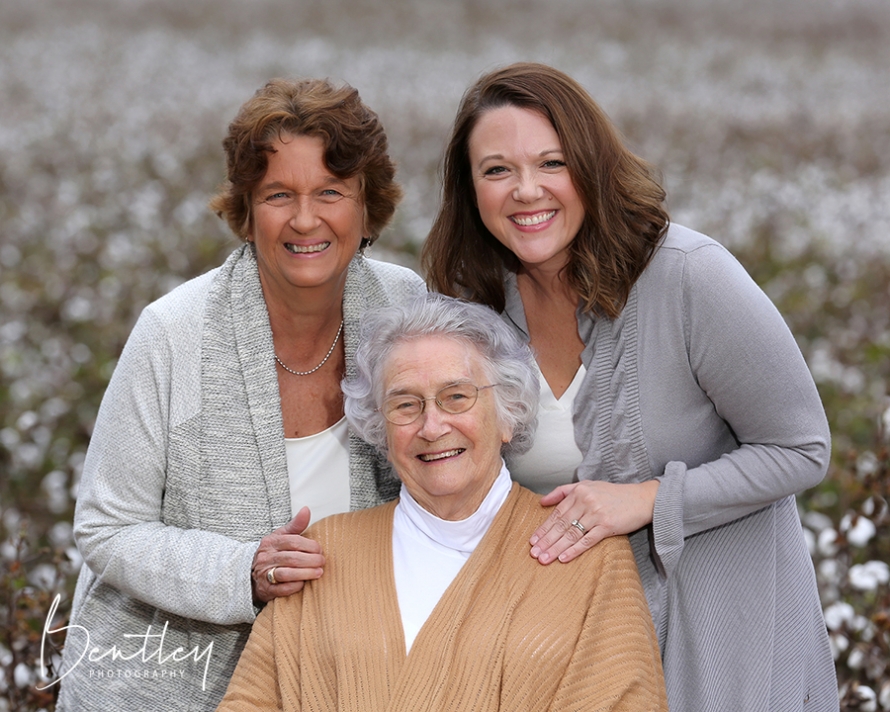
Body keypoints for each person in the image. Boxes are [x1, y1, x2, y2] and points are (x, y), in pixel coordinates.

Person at [422, 62, 838, 711]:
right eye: (497, 169)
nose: (526, 190)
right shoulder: (472, 311)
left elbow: (802, 448)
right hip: (578, 668)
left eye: (551, 163)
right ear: (469, 188)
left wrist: (646, 499)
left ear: (590, 165)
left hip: (729, 660)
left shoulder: (690, 277)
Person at [56, 78, 425, 711]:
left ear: (368, 207)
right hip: (169, 687)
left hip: (355, 685)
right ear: (246, 210)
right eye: (279, 194)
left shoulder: (405, 306)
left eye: (331, 193)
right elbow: (107, 526)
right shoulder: (173, 331)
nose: (306, 219)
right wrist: (242, 571)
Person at [216, 295, 667, 711]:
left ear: (508, 413)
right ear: (381, 430)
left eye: (456, 397)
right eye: (406, 405)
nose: (432, 427)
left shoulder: (589, 554)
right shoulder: (320, 555)